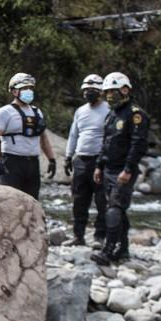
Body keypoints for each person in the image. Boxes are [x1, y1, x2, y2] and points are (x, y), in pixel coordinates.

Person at [91, 72, 150, 266]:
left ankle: (108, 250)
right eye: (106, 92)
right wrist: (99, 165)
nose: (109, 95)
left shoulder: (136, 114)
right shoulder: (112, 113)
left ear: (125, 90)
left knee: (114, 209)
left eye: (112, 91)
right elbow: (106, 142)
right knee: (119, 210)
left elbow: (138, 144)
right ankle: (123, 250)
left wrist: (128, 169)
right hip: (108, 168)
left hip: (123, 171)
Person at [0, 72, 56, 200]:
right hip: (11, 162)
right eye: (25, 88)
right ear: (14, 91)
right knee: (10, 201)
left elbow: (43, 138)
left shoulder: (37, 112)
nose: (29, 91)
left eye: (30, 88)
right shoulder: (4, 112)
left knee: (32, 201)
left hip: (33, 164)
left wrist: (51, 159)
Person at [64, 74, 109, 246]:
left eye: (91, 90)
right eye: (85, 90)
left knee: (101, 200)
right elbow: (73, 135)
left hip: (100, 161)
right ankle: (78, 236)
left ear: (100, 91)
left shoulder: (109, 110)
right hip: (81, 160)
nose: (87, 93)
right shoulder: (80, 111)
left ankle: (99, 237)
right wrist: (68, 156)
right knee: (78, 200)